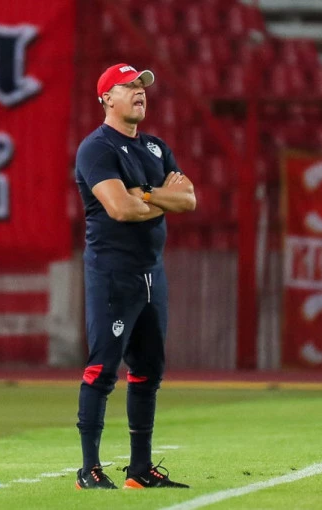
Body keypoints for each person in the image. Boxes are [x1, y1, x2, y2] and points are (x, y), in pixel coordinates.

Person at [74, 63, 196, 490]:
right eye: (129, 86)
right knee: (102, 369)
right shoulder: (96, 148)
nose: (140, 91)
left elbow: (188, 200)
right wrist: (159, 198)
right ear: (106, 98)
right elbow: (120, 209)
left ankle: (139, 470)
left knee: (148, 370)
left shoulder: (156, 147)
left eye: (142, 85)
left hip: (151, 273)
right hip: (113, 273)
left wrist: (142, 193)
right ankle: (88, 469)